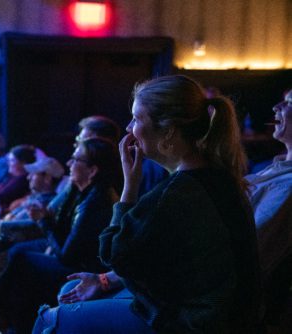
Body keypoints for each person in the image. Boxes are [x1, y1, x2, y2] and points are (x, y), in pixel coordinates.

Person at [33, 75, 261, 333]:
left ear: (169, 131)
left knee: (49, 320)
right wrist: (104, 281)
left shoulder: (176, 193)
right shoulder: (218, 177)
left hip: (193, 323)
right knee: (69, 290)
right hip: (227, 316)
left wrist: (129, 185)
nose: (129, 128)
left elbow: (113, 255)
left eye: (137, 119)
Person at [0, 137, 120, 333]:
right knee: (19, 257)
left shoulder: (96, 203)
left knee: (22, 260)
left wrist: (43, 221)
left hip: (83, 268)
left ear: (92, 170)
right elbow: (62, 229)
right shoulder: (78, 190)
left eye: (75, 159)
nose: (69, 163)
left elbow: (67, 256)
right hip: (68, 253)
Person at [245, 89, 292, 324]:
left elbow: (249, 247)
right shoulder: (275, 168)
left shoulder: (288, 186)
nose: (276, 107)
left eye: (289, 102)